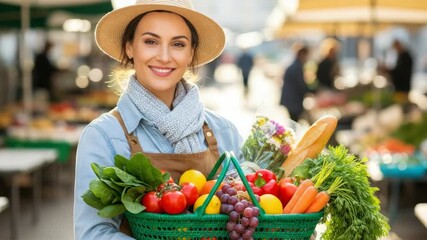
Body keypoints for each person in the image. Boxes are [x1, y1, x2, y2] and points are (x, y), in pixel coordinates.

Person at [73, 0, 243, 239]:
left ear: (191, 52)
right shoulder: (103, 136)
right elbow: (94, 233)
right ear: (130, 47)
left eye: (178, 44)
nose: (164, 56)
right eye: (151, 41)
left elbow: (249, 214)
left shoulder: (224, 131)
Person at [280, 46, 310, 122]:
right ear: (302, 54)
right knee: (294, 122)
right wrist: (312, 91)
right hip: (293, 101)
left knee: (293, 121)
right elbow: (301, 85)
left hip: (290, 100)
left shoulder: (294, 65)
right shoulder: (297, 67)